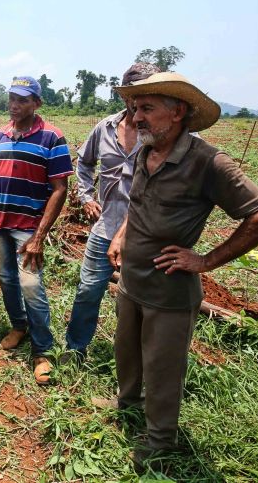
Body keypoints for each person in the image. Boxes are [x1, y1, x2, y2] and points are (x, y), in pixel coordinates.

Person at [107, 73, 258, 466]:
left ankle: (159, 439)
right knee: (127, 352)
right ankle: (127, 403)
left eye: (147, 108)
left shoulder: (207, 161)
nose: (137, 117)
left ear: (177, 111)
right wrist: (121, 234)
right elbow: (137, 205)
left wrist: (205, 261)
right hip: (131, 279)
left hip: (170, 292)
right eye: (136, 108)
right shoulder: (144, 151)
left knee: (163, 366)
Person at [63, 63, 160, 361]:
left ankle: (133, 359)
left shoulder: (161, 132)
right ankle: (76, 349)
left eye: (146, 93)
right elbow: (84, 162)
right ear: (124, 96)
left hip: (146, 235)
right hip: (105, 227)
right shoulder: (104, 127)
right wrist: (85, 195)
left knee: (136, 301)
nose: (137, 100)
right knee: (88, 290)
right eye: (133, 93)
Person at [0, 76, 73, 385]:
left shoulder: (52, 138)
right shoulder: (1, 136)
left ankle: (43, 350)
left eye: (22, 100)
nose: (14, 105)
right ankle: (19, 326)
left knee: (31, 285)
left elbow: (60, 189)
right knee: (7, 280)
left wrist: (39, 236)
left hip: (28, 228)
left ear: (37, 103)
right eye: (11, 99)